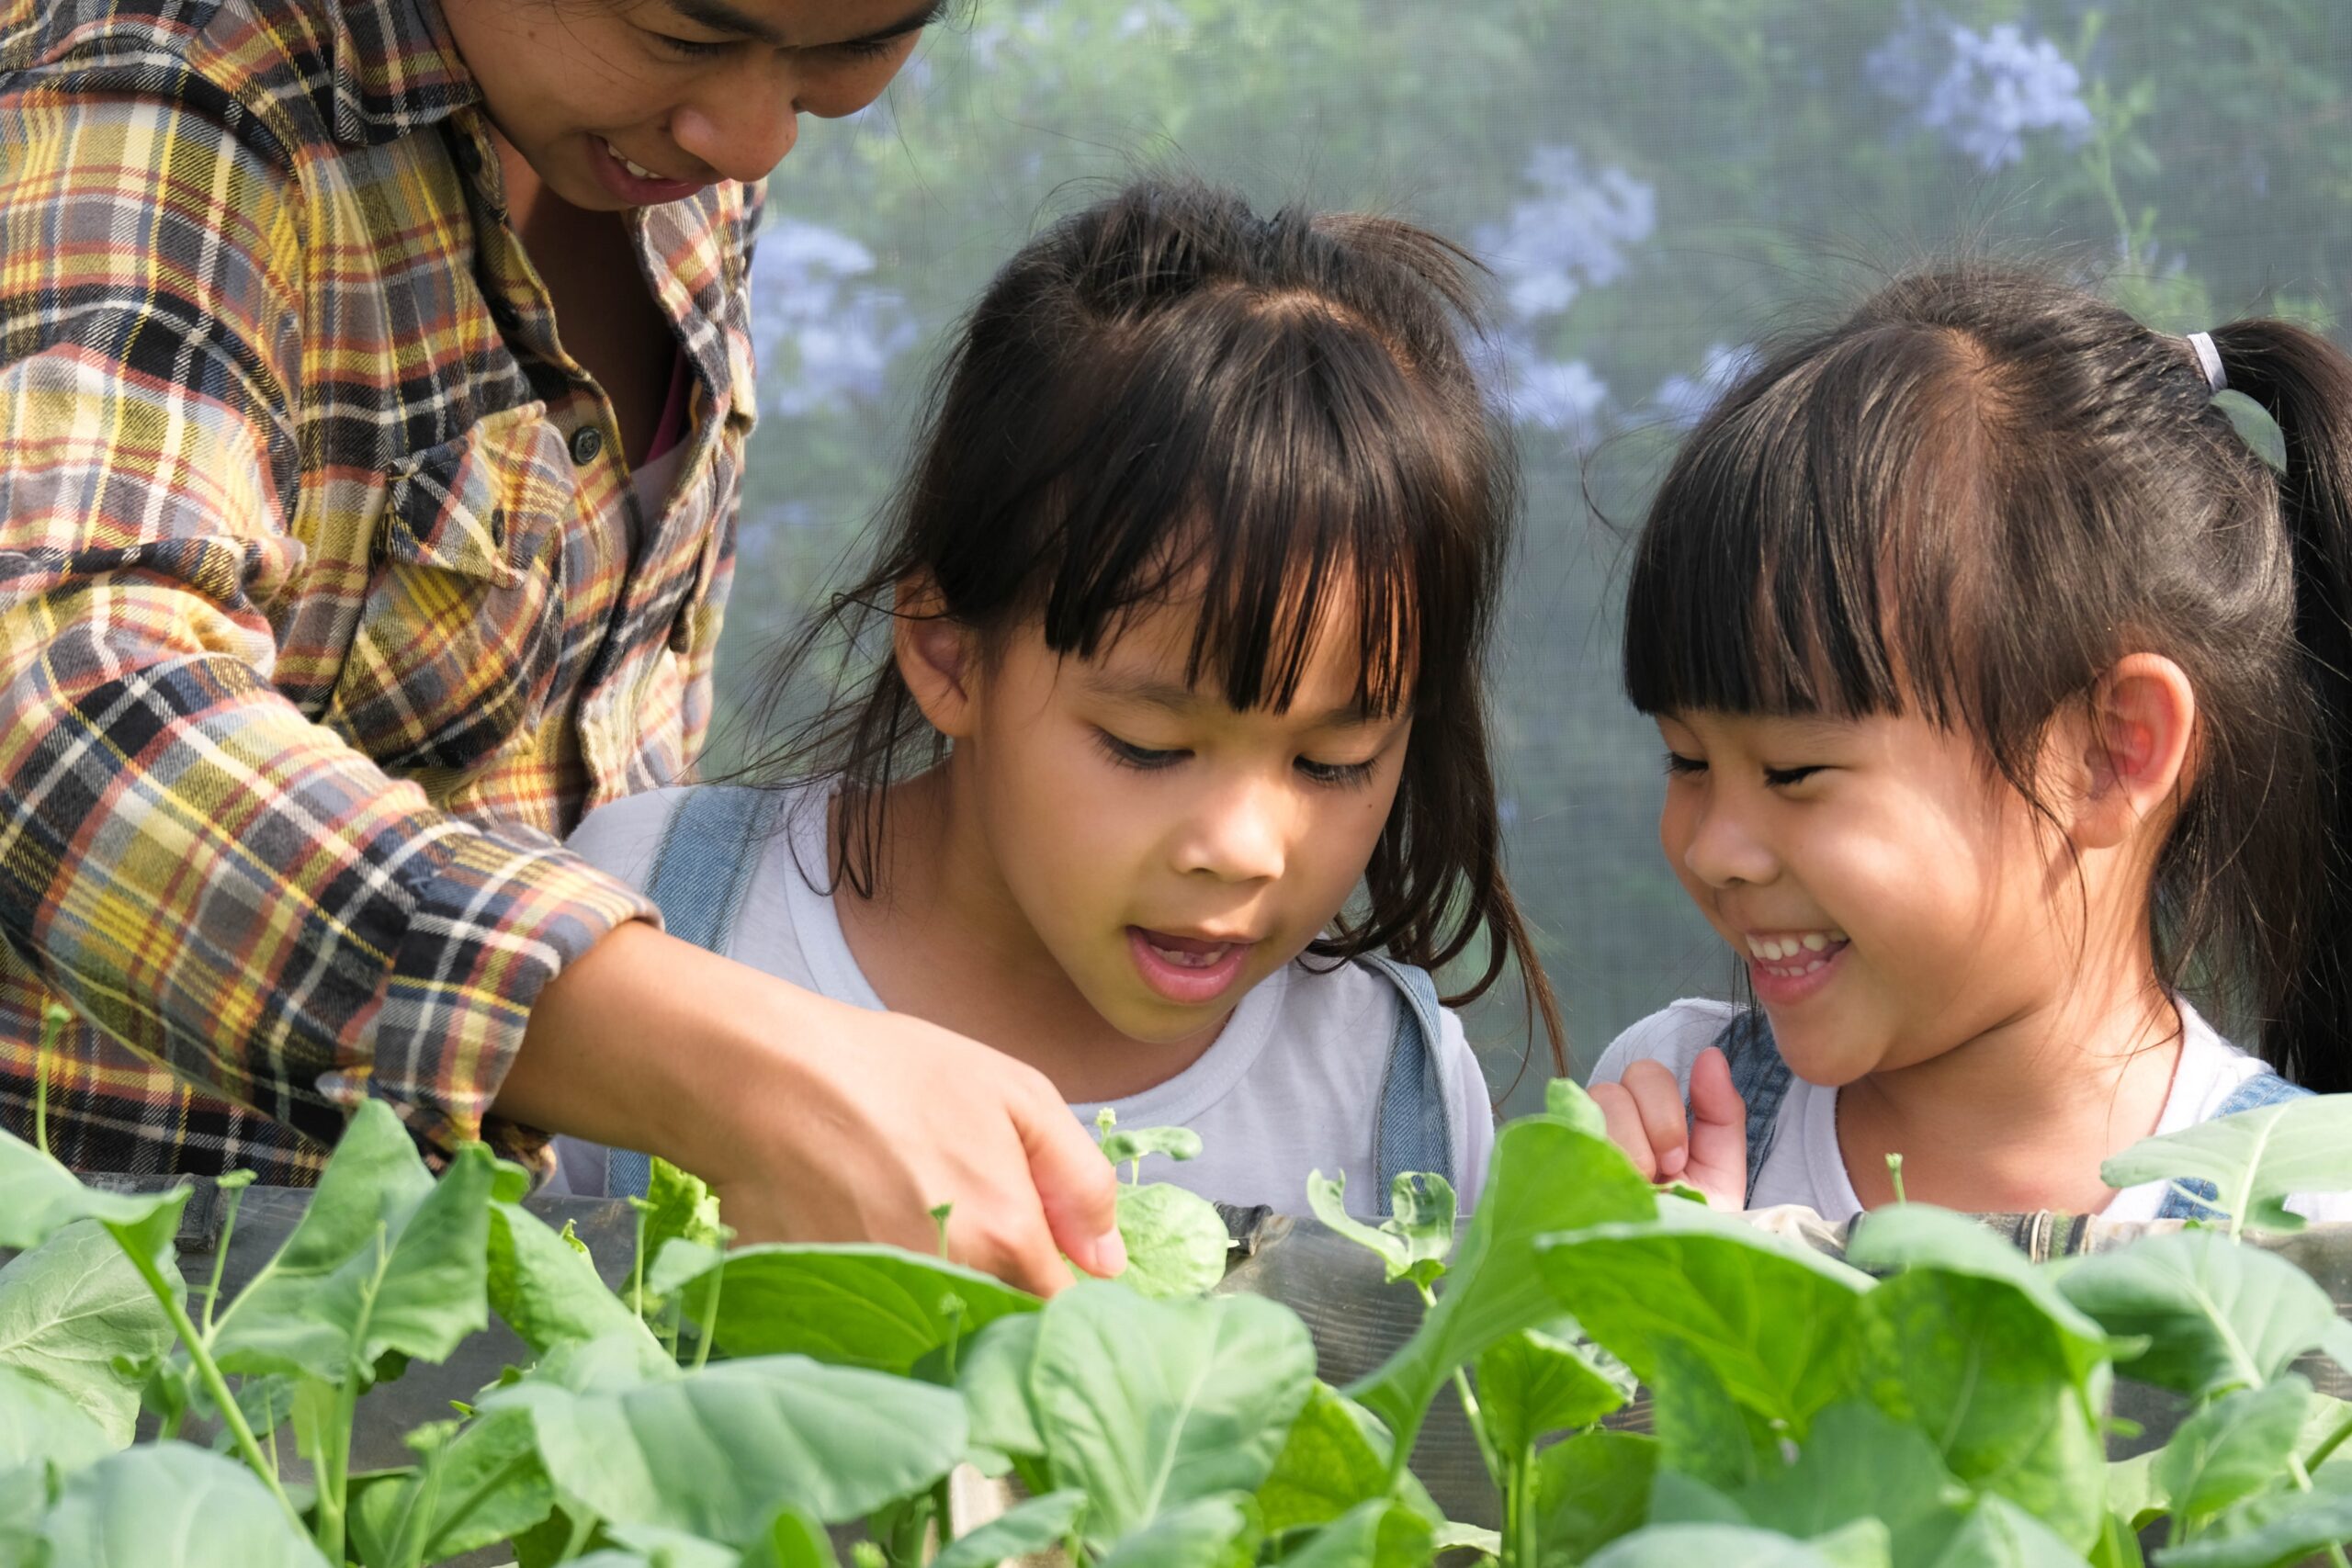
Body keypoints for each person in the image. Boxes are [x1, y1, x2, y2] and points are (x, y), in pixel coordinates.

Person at [0, 0, 1127, 1294]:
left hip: (499, 1297)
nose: (757, 136)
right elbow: (60, 700)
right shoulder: (171, 94)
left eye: (853, 46)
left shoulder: (655, 144)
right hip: (124, 1308)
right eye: (686, 31)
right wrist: (732, 1064)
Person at [560, 179, 1566, 1214]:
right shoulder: (654, 922)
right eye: (1145, 743)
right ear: (949, 651)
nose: (1244, 848)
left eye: (1332, 763)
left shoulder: (1392, 1100)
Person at [1589, 264, 2352, 1223]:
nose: (1711, 850)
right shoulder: (1664, 1115)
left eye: (1792, 772)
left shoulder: (2305, 1220)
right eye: (1686, 760)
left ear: (2112, 753)